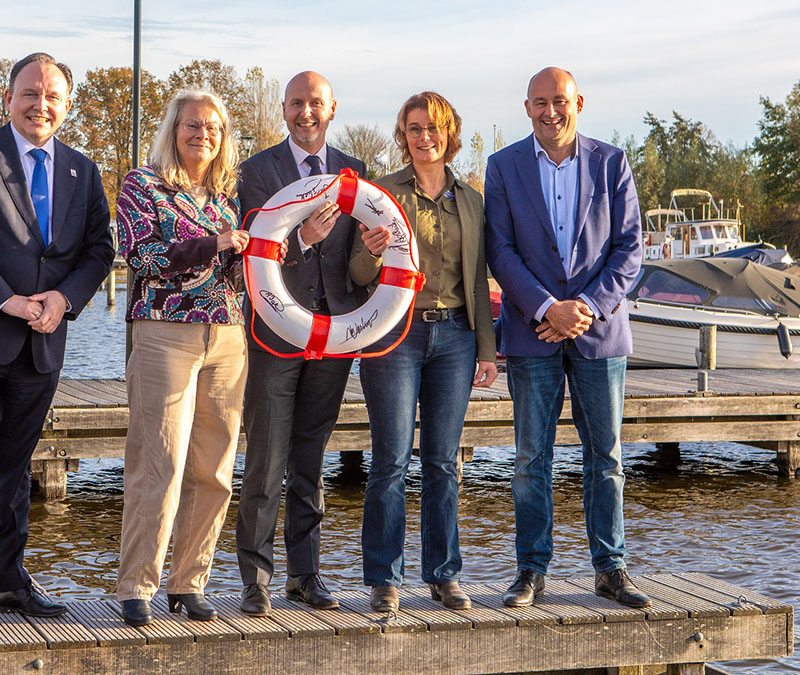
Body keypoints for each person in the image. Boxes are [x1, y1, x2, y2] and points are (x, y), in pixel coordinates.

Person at [0, 52, 115, 635]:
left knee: (14, 470)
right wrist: (7, 299)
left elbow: (98, 250)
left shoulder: (83, 171)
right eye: (30, 93)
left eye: (53, 96)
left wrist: (64, 300)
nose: (41, 105)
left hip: (41, 344)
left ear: (66, 105)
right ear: (7, 98)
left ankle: (9, 581)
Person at [484, 67, 649, 609]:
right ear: (526, 107)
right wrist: (547, 307)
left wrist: (586, 307)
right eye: (540, 103)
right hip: (533, 333)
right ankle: (531, 570)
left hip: (598, 334)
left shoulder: (612, 163)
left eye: (560, 101)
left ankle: (611, 568)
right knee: (532, 457)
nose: (550, 111)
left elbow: (630, 248)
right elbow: (500, 252)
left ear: (579, 102)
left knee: (606, 455)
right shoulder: (503, 167)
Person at [347, 92, 498, 612]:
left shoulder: (472, 201)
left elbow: (477, 280)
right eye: (414, 128)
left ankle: (443, 574)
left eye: (433, 128)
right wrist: (369, 251)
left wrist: (487, 350)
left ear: (449, 133)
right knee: (390, 459)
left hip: (455, 338)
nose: (424, 137)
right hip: (394, 336)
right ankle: (384, 578)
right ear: (403, 135)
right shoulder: (380, 193)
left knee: (442, 462)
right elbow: (357, 275)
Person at [112, 90, 250, 627]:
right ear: (173, 130)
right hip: (164, 333)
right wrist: (215, 244)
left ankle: (188, 582)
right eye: (193, 125)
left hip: (228, 335)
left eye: (213, 128)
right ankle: (137, 585)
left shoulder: (225, 197)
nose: (203, 135)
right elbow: (141, 255)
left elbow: (234, 272)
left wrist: (259, 251)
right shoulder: (141, 185)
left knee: (213, 469)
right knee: (158, 463)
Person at [235, 71, 367, 616]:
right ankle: (257, 579)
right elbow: (254, 248)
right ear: (283, 109)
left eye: (315, 103)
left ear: (333, 107)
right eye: (295, 104)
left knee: (311, 458)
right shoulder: (256, 170)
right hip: (274, 330)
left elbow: (360, 261)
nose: (305, 113)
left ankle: (306, 576)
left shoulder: (356, 172)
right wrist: (300, 238)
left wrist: (378, 247)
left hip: (334, 333)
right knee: (266, 459)